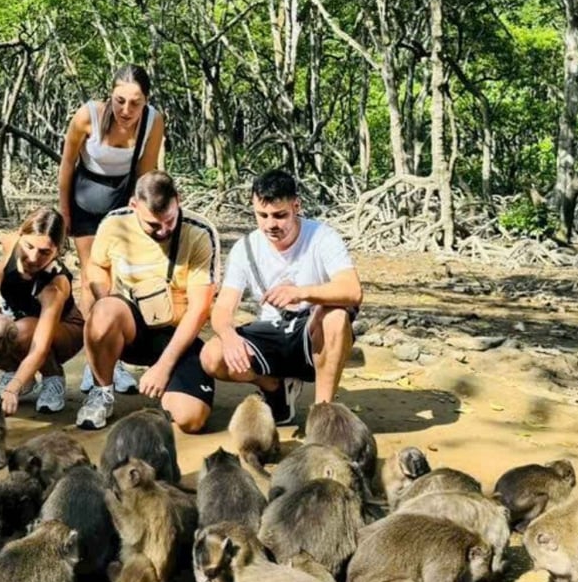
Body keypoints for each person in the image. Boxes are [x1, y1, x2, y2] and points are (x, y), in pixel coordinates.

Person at [200, 169, 363, 425]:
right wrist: (229, 336)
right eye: (262, 215)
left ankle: (322, 414)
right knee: (212, 356)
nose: (270, 225)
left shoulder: (322, 237)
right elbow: (222, 309)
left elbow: (353, 291)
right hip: (270, 332)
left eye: (279, 215)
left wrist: (301, 293)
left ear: (296, 206)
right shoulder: (246, 249)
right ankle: (275, 389)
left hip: (310, 330)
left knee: (336, 315)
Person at [74, 171, 218, 433]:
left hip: (178, 332)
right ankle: (102, 391)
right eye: (153, 224)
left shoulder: (199, 233)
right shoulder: (114, 224)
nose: (163, 230)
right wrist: (104, 299)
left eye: (170, 221)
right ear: (134, 206)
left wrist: (164, 366)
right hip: (132, 327)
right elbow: (96, 265)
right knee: (104, 312)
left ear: (178, 200)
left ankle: (173, 384)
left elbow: (200, 309)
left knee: (191, 419)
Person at [58, 64, 166, 396]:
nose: (126, 110)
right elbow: (67, 164)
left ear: (146, 101)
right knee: (93, 274)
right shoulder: (87, 116)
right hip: (86, 197)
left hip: (124, 197)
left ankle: (113, 358)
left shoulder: (153, 121)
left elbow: (146, 173)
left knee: (121, 275)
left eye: (135, 102)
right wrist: (65, 215)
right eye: (120, 101)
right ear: (110, 95)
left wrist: (144, 216)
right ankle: (95, 364)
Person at [0, 208, 84, 416]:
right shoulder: (11, 244)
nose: (34, 258)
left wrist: (12, 389)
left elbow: (40, 347)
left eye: (45, 252)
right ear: (20, 235)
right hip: (16, 317)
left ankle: (53, 377)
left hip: (63, 333)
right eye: (29, 246)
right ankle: (14, 371)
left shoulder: (55, 284)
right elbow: (0, 271)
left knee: (21, 331)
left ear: (58, 251)